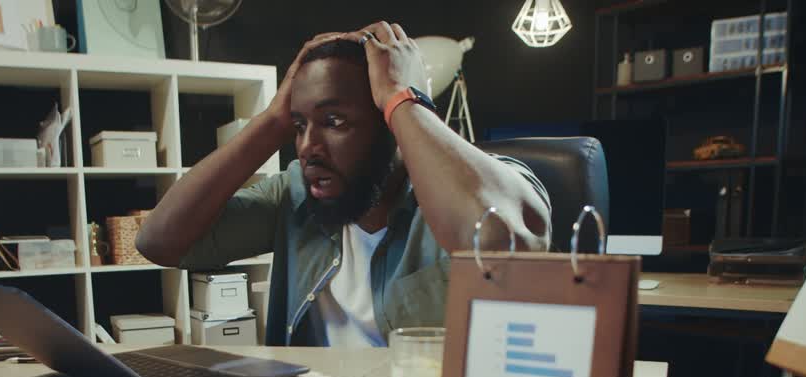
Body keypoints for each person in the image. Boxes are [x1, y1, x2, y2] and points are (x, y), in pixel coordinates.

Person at [137, 22, 551, 347]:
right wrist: (274, 121)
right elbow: (158, 241)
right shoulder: (294, 195)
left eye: (334, 121)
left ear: (391, 124)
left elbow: (499, 242)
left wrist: (404, 98)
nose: (307, 147)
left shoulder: (476, 186)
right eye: (300, 126)